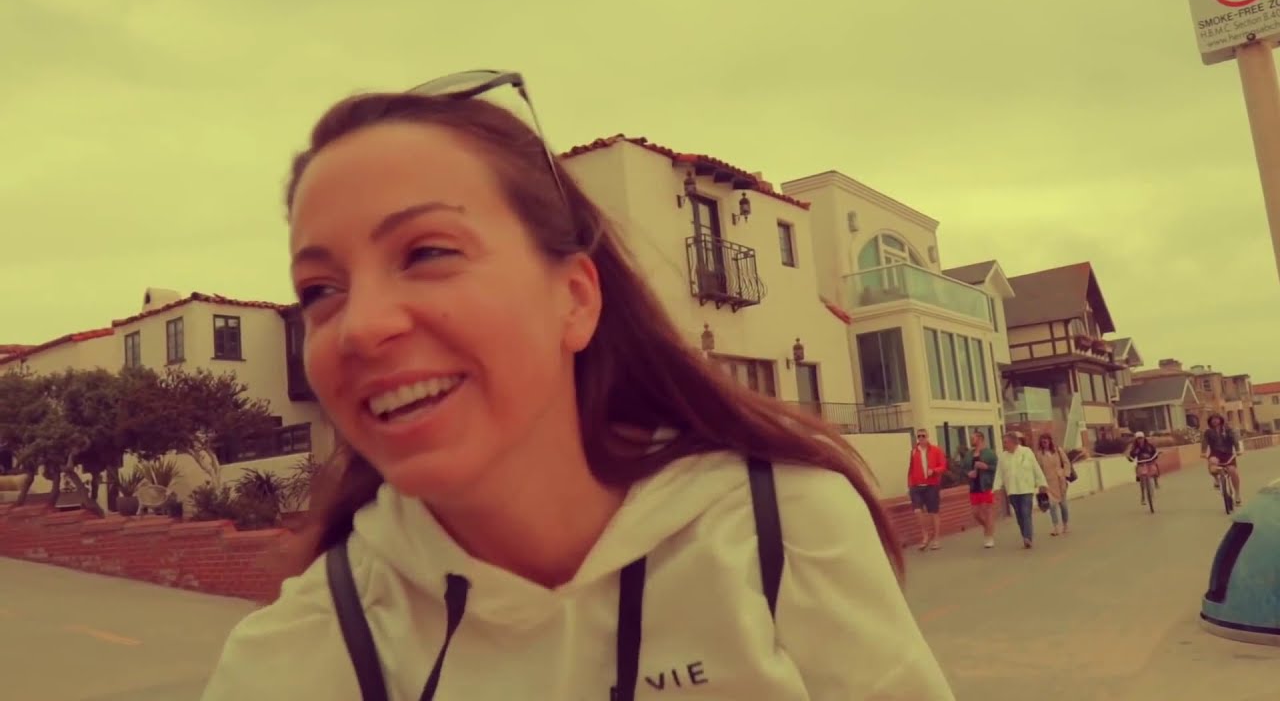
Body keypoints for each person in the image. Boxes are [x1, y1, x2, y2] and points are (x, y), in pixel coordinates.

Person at [199, 72, 954, 701]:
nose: (359, 326)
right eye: (320, 288)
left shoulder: (778, 531)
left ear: (576, 298)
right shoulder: (298, 655)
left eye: (426, 250)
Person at [992, 432, 1048, 549]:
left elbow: (1035, 467)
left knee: (1026, 512)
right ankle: (1025, 535)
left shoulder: (1026, 452)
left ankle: (1028, 537)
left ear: (1013, 442)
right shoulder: (1002, 457)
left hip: (1026, 488)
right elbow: (999, 474)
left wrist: (1042, 483)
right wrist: (996, 488)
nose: (1004, 444)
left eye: (1006, 442)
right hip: (1012, 490)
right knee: (1019, 515)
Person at [907, 428, 948, 551]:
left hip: (931, 485)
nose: (921, 438)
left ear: (927, 436)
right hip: (916, 486)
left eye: (923, 436)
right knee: (917, 511)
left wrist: (934, 471)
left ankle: (936, 539)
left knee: (933, 512)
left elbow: (943, 466)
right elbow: (911, 468)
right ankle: (925, 536)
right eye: (919, 436)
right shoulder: (914, 451)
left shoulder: (936, 450)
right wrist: (909, 484)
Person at [963, 430, 999, 548]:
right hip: (974, 486)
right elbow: (963, 468)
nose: (971, 440)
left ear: (980, 438)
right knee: (976, 513)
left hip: (986, 485)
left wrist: (986, 466)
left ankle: (989, 537)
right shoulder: (969, 454)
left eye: (973, 438)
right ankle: (988, 528)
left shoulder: (990, 453)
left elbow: (998, 468)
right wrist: (968, 473)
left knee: (988, 511)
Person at [1201, 413, 1244, 506]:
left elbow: (1235, 440)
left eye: (1217, 418)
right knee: (1212, 463)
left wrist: (1238, 450)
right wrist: (1203, 452)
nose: (1215, 420)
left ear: (1221, 420)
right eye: (1213, 419)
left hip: (1228, 454)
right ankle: (1216, 479)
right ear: (1210, 421)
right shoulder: (1208, 432)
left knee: (1233, 471)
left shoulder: (1228, 430)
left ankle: (1237, 494)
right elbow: (1204, 442)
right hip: (1215, 454)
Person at [1034, 433, 1072, 536]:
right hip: (1048, 483)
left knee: (1063, 504)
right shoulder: (1039, 454)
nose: (1044, 444)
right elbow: (1038, 469)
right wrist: (1040, 483)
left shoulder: (1058, 450)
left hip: (1060, 481)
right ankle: (1056, 527)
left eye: (1046, 441)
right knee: (1052, 506)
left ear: (1050, 441)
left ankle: (1066, 524)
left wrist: (1065, 474)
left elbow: (1066, 462)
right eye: (1042, 442)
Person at [1127, 432, 1162, 507]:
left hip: (1150, 462)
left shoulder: (1149, 446)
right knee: (1142, 480)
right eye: (1138, 439)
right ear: (1136, 440)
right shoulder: (1135, 448)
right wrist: (1129, 458)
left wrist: (1157, 455)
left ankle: (1156, 482)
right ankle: (1143, 497)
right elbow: (1132, 457)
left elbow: (1155, 453)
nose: (1140, 440)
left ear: (1144, 438)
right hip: (1141, 464)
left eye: (1141, 438)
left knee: (1155, 467)